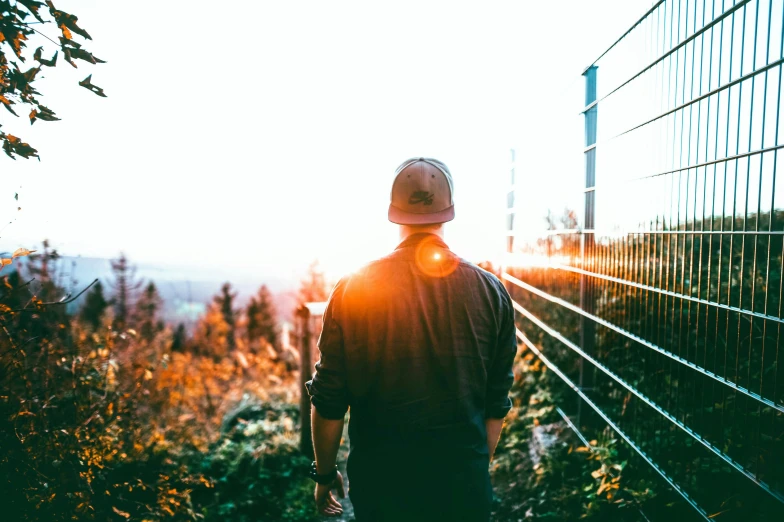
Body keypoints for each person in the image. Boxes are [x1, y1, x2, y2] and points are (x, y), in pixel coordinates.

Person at [305, 157, 517, 521]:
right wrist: (471, 470)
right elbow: (495, 405)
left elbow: (328, 403)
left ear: (393, 212)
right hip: (463, 488)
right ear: (449, 211)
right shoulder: (491, 293)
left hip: (382, 488)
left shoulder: (354, 288)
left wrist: (324, 475)